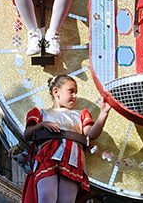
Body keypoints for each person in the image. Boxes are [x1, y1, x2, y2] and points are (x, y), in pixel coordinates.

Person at [21, 74, 112, 203]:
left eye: (76, 92)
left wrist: (103, 113)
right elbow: (27, 134)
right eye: (71, 91)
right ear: (56, 92)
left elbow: (91, 134)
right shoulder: (40, 113)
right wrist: (41, 125)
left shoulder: (81, 114)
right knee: (47, 197)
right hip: (48, 156)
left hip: (72, 158)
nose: (75, 96)